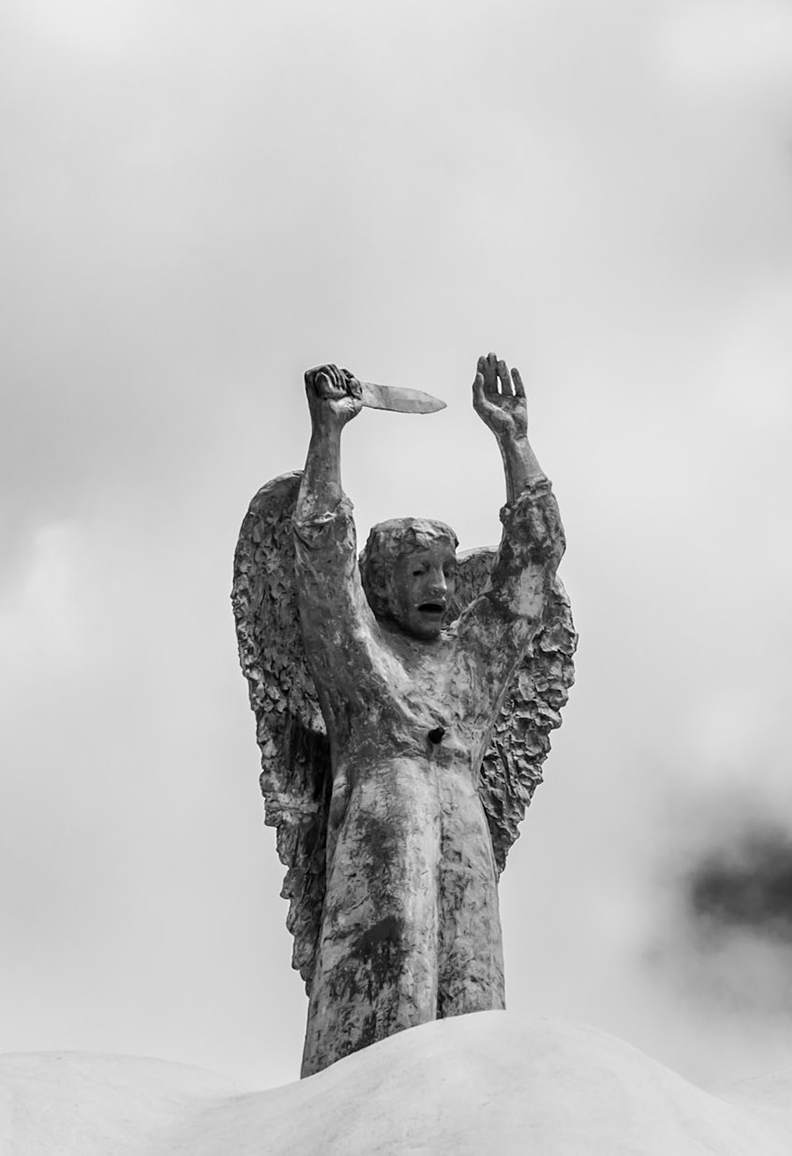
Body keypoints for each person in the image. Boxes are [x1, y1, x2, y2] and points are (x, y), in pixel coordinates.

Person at [289, 352, 565, 1074]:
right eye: (418, 572)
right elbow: (319, 556)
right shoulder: (356, 654)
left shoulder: (472, 659)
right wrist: (329, 436)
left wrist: (515, 442)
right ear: (381, 585)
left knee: (474, 1005)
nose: (440, 585)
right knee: (387, 988)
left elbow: (534, 563)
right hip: (385, 818)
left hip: (463, 822)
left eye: (443, 570)